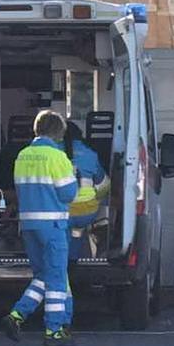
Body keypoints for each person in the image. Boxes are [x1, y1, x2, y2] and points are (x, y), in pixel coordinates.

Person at [1, 110, 78, 346]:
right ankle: (54, 331)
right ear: (58, 133)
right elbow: (68, 194)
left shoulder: (22, 155)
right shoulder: (57, 157)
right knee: (56, 280)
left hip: (28, 226)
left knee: (44, 275)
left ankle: (17, 316)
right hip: (52, 225)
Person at [63, 121, 107, 324]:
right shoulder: (90, 154)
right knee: (77, 230)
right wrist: (98, 200)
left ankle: (65, 265)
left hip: (63, 212)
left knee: (63, 229)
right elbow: (103, 184)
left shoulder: (53, 154)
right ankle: (73, 261)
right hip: (87, 211)